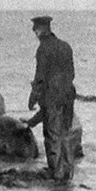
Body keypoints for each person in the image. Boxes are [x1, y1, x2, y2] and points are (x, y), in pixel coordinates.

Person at [26, 15, 76, 180]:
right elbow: (72, 73)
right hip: (68, 97)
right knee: (66, 134)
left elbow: (40, 77)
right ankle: (68, 171)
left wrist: (33, 98)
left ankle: (56, 172)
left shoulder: (43, 48)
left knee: (52, 136)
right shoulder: (65, 46)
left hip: (52, 99)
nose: (34, 31)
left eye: (35, 29)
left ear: (40, 30)